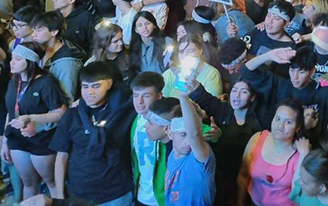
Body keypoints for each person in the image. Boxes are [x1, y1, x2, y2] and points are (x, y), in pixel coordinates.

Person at [50, 61, 138, 206]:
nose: (89, 92)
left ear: (109, 84)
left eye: (96, 86)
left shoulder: (125, 111)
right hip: (78, 193)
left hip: (116, 194)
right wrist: (59, 196)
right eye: (85, 87)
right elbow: (61, 157)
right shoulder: (73, 115)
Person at [2, 42, 67, 200]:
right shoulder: (14, 80)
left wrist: (33, 119)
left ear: (30, 61)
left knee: (51, 182)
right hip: (17, 138)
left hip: (41, 139)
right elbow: (11, 112)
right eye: (13, 58)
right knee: (28, 183)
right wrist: (4, 140)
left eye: (18, 59)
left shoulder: (45, 82)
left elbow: (61, 112)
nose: (12, 62)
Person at [237, 99, 305, 206]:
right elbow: (243, 175)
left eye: (288, 122)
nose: (280, 125)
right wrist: (240, 202)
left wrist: (305, 154)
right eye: (277, 119)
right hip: (253, 202)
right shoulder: (257, 138)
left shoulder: (301, 153)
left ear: (298, 127)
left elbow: (300, 193)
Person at [165, 83, 217, 205]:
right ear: (169, 132)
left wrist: (183, 96)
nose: (189, 142)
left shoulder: (200, 156)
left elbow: (194, 135)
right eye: (183, 135)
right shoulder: (172, 155)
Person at [129, 72, 170, 206]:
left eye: (146, 96)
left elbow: (200, 131)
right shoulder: (135, 120)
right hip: (141, 194)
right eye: (136, 95)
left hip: (162, 198)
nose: (139, 102)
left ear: (159, 96)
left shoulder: (168, 118)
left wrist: (214, 134)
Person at [31, 11, 84, 103]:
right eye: (34, 30)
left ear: (54, 32)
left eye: (39, 30)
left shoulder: (67, 63)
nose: (33, 34)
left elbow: (67, 99)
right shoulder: (42, 51)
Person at [86, 22, 133, 86]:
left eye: (121, 38)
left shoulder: (130, 55)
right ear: (104, 43)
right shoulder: (92, 63)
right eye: (115, 41)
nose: (121, 43)